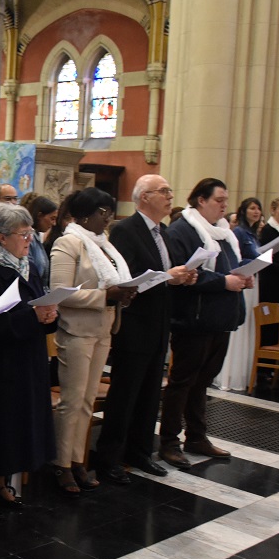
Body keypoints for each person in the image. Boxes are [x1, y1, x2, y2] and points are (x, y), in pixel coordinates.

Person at [97, 175, 195, 484]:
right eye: (163, 191)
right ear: (143, 197)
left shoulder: (163, 232)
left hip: (160, 323)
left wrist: (183, 277)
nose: (170, 196)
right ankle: (109, 458)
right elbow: (126, 279)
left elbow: (167, 274)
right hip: (135, 324)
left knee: (151, 394)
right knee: (125, 395)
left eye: (170, 190)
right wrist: (167, 276)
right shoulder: (126, 230)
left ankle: (139, 452)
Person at [160, 178, 251, 467]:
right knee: (182, 382)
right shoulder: (182, 231)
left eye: (226, 201)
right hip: (193, 319)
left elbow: (229, 268)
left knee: (202, 382)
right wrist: (225, 282)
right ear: (201, 200)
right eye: (218, 200)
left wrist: (242, 278)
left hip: (220, 317)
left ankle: (197, 436)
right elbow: (184, 274)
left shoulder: (223, 232)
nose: (225, 206)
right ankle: (169, 441)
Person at [50, 188, 135, 494]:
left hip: (103, 329)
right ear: (85, 215)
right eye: (103, 212)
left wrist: (124, 294)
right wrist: (106, 295)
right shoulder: (68, 242)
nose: (108, 218)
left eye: (110, 212)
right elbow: (60, 292)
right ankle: (61, 464)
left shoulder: (104, 245)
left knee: (87, 402)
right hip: (76, 331)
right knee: (72, 401)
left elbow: (113, 282)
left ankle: (77, 460)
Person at [0, 204, 58, 512]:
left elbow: (38, 308)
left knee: (21, 425)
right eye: (23, 234)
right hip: (4, 362)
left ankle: (1, 481)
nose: (29, 240)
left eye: (30, 233)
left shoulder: (29, 268)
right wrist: (32, 317)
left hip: (31, 357)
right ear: (2, 237)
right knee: (1, 426)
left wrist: (49, 316)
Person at [216, 197, 262, 392]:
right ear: (243, 210)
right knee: (237, 331)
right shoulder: (239, 232)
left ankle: (243, 373)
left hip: (250, 280)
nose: (256, 212)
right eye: (252, 208)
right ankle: (228, 375)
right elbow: (236, 260)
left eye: (258, 208)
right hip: (238, 280)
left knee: (248, 326)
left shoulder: (252, 234)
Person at [28, 196, 58, 283]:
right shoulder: (29, 238)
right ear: (39, 216)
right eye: (52, 218)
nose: (54, 223)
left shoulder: (37, 237)